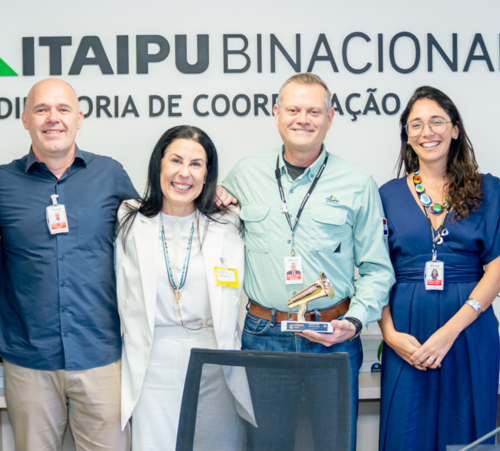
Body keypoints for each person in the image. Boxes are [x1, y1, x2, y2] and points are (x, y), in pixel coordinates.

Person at [220, 73, 395, 449]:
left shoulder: (357, 182)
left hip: (332, 338)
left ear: (330, 117)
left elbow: (377, 268)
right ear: (276, 113)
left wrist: (354, 320)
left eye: (314, 110)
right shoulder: (244, 175)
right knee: (266, 445)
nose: (303, 119)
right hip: (264, 337)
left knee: (334, 444)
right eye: (294, 109)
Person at [377, 86, 500, 451]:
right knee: (406, 435)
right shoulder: (387, 195)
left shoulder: (488, 190)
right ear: (407, 136)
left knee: (467, 433)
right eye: (416, 125)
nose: (428, 132)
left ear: (455, 129)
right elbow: (376, 272)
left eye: (437, 121)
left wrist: (448, 333)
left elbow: (497, 272)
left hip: (468, 331)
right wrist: (390, 336)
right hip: (408, 339)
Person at [0, 78, 137, 450]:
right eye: (41, 109)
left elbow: (151, 240)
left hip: (101, 356)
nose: (52, 118)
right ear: (25, 119)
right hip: (29, 361)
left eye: (62, 109)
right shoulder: (3, 184)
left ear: (79, 117)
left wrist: (213, 197)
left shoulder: (110, 175)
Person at [115, 126, 251, 450]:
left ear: (208, 174)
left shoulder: (228, 221)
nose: (184, 173)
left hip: (214, 354)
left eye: (196, 164)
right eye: (176, 160)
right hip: (152, 359)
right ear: (158, 164)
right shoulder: (129, 219)